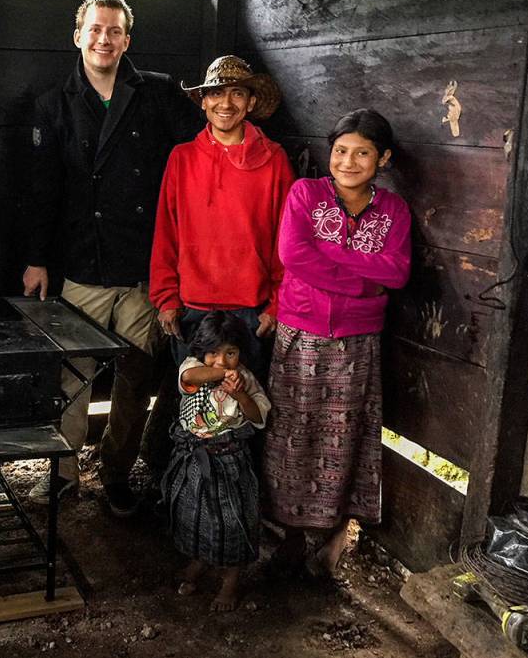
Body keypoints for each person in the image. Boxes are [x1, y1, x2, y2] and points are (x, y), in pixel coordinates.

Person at [23, 0, 202, 516]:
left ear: (128, 40)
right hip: (83, 262)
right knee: (73, 374)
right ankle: (62, 472)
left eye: (115, 31)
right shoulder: (54, 103)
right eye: (96, 29)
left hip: (147, 265)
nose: (105, 39)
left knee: (135, 377)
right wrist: (36, 257)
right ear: (78, 35)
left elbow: (199, 156)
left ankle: (117, 473)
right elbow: (41, 189)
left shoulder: (158, 94)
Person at [263, 108, 411, 576]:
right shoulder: (305, 194)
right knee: (292, 435)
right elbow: (293, 256)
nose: (348, 161)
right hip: (301, 335)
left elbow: (398, 272)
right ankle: (284, 536)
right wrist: (361, 282)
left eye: (362, 152)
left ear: (382, 158)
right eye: (341, 150)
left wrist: (332, 258)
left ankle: (331, 539)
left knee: (343, 438)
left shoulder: (394, 210)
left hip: (356, 343)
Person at [150, 55, 295, 371]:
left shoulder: (274, 159)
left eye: (237, 93)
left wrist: (277, 305)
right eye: (216, 93)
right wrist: (166, 298)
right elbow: (166, 232)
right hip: (191, 309)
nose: (226, 103)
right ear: (203, 102)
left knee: (246, 410)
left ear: (251, 102)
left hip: (251, 311)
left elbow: (287, 240)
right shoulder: (182, 158)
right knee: (196, 414)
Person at [162, 311, 270, 611]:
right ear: (200, 351)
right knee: (194, 515)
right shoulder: (193, 368)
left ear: (242, 353)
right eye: (212, 353)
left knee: (232, 520)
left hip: (231, 463)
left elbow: (258, 416)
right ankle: (199, 560)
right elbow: (189, 378)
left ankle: (230, 582)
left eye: (230, 353)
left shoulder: (246, 379)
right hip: (194, 460)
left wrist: (242, 393)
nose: (221, 361)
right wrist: (222, 375)